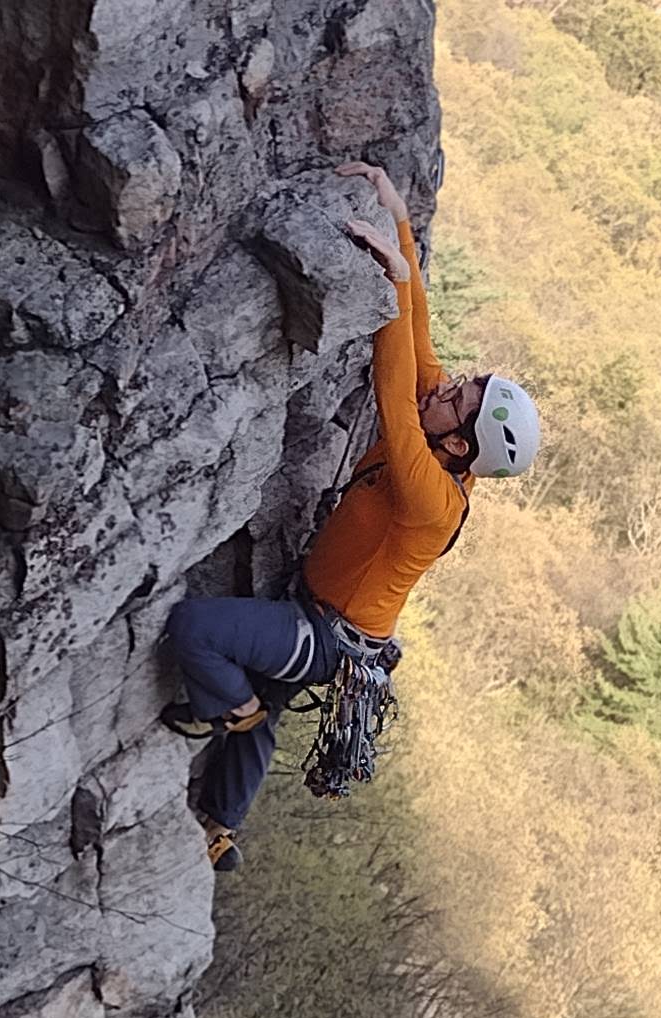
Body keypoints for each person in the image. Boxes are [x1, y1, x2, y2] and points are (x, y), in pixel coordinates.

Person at [161, 160, 542, 871]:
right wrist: (397, 222)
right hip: (315, 613)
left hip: (325, 637)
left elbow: (395, 397)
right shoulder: (445, 430)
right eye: (460, 384)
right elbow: (419, 344)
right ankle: (220, 825)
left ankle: (231, 713)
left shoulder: (432, 496)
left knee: (198, 632)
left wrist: (394, 275)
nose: (447, 385)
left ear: (459, 444)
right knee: (262, 698)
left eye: (459, 396)